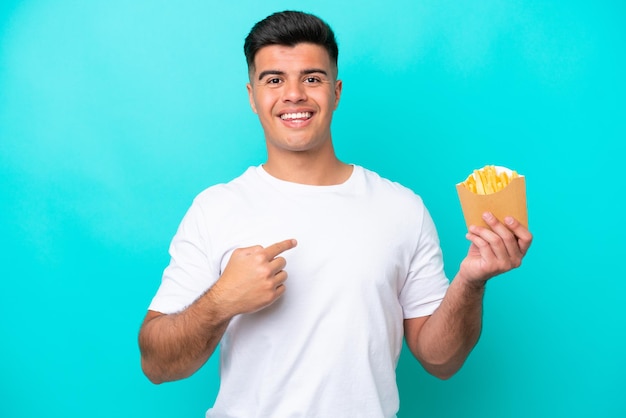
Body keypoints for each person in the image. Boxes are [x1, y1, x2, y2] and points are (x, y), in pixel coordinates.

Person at [138, 10, 533, 418]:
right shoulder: (215, 209)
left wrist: (471, 281)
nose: (294, 94)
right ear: (253, 96)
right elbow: (157, 365)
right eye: (274, 80)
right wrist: (222, 300)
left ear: (336, 91)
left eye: (312, 78)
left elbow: (441, 361)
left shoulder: (402, 208)